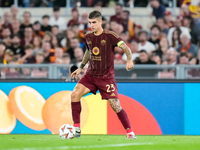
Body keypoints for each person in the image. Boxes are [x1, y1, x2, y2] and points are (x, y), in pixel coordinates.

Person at [70, 11, 136, 139]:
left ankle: (130, 132)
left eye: (94, 22)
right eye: (89, 23)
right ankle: (76, 129)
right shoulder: (88, 36)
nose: (91, 25)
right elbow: (88, 52)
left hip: (106, 77)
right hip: (91, 75)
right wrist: (81, 67)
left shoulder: (110, 36)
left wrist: (129, 60)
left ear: (100, 22)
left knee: (115, 105)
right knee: (75, 94)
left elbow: (126, 48)